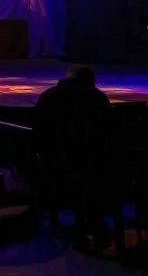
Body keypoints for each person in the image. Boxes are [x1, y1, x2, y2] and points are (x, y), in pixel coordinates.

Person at [33, 64, 119, 251]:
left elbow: (38, 131)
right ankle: (93, 222)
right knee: (88, 174)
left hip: (57, 161)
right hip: (91, 161)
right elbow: (108, 131)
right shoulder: (97, 98)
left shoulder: (49, 96)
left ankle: (81, 223)